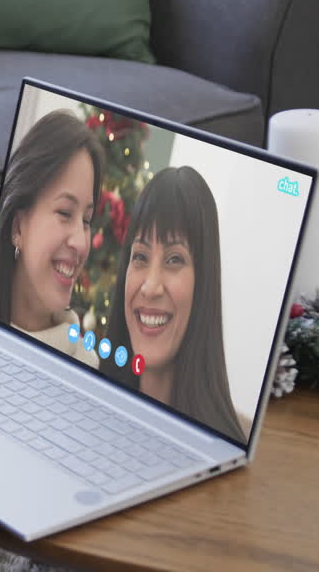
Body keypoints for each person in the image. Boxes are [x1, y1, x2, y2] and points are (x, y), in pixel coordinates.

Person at [98, 166, 248, 442]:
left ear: (203, 283)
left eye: (174, 260)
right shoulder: (94, 400)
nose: (151, 287)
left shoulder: (221, 444)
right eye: (140, 256)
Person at [0, 109, 102, 368]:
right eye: (64, 212)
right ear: (18, 227)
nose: (81, 243)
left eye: (86, 221)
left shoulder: (87, 366)